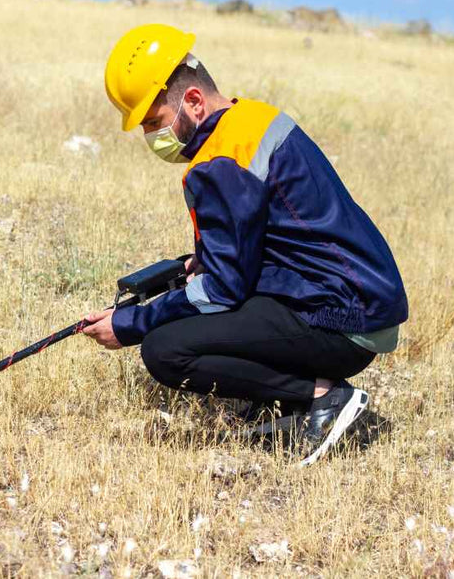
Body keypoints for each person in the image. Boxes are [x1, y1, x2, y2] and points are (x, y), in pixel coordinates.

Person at [82, 23, 408, 465]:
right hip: (361, 302)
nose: (150, 138)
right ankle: (288, 400)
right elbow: (271, 235)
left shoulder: (219, 161)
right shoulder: (252, 119)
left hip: (340, 320)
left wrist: (131, 324)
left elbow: (222, 290)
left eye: (154, 122)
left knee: (165, 351)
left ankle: (322, 398)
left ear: (193, 101)